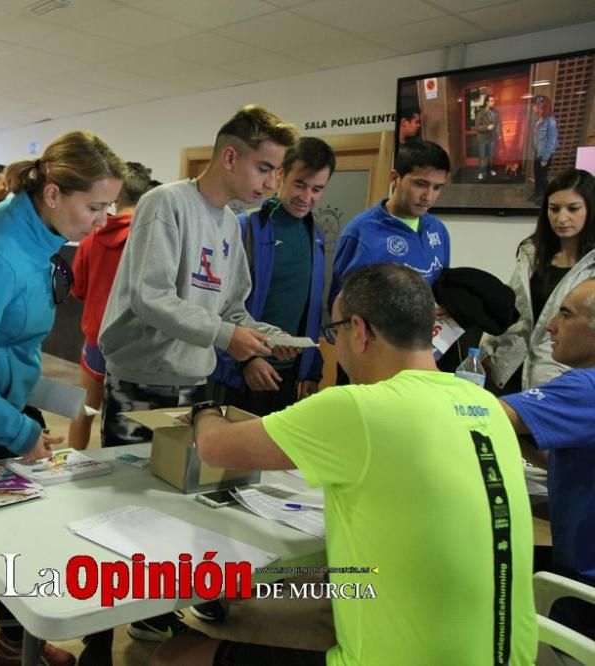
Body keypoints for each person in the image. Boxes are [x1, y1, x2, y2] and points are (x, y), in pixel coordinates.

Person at [152, 263, 538, 666]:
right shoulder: (487, 405)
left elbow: (216, 448)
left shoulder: (359, 407)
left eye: (335, 331)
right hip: (511, 657)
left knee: (174, 655)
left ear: (359, 329)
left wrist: (205, 411)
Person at [0, 130, 126, 666]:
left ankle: (12, 639)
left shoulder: (36, 236)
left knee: (21, 527)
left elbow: (10, 344)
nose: (102, 220)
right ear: (54, 192)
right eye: (95, 206)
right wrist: (21, 433)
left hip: (2, 402)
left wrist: (37, 404)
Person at [96, 104, 298, 649]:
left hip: (194, 380)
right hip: (143, 377)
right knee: (134, 501)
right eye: (264, 167)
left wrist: (257, 340)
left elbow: (230, 309)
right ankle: (131, 609)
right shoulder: (167, 205)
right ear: (229, 156)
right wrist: (227, 336)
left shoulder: (230, 224)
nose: (271, 182)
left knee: (185, 495)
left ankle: (173, 590)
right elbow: (152, 296)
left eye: (277, 171)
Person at [209, 137, 335, 415]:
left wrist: (311, 369)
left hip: (289, 377)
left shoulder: (315, 236)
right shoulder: (246, 228)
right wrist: (246, 361)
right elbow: (217, 307)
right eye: (300, 184)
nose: (307, 197)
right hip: (241, 373)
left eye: (317, 189)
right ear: (280, 175)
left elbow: (311, 308)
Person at [499, 278, 595, 641]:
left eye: (566, 316)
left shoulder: (584, 388)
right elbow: (566, 455)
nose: (551, 326)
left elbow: (477, 412)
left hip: (582, 591)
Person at [67, 161, 157, 450]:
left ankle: (72, 465)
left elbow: (78, 289)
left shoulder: (90, 239)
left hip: (96, 339)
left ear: (117, 197)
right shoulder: (151, 239)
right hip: (138, 345)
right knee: (133, 421)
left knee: (84, 410)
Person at [480, 168, 595, 393]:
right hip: (509, 368)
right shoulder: (531, 254)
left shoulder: (591, 268)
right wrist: (487, 349)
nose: (562, 218)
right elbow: (509, 309)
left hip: (562, 377)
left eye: (573, 209)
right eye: (554, 209)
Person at [329, 140, 451, 309]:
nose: (428, 196)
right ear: (395, 178)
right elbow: (341, 309)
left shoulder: (438, 230)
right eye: (420, 184)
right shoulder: (360, 233)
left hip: (426, 335)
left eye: (437, 187)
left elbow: (440, 290)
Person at [530, 94, 558, 204]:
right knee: (537, 174)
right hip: (538, 152)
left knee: (543, 177)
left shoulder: (551, 121)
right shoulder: (540, 120)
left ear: (542, 107)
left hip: (545, 154)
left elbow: (552, 142)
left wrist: (545, 159)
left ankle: (545, 198)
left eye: (535, 105)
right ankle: (537, 193)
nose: (533, 108)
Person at [475, 93, 500, 181]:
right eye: (491, 101)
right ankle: (480, 172)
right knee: (482, 157)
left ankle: (491, 170)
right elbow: (477, 127)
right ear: (486, 102)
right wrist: (487, 127)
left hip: (491, 138)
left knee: (491, 156)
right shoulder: (481, 113)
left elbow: (497, 124)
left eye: (494, 101)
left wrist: (498, 135)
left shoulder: (495, 112)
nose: (493, 103)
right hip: (482, 139)